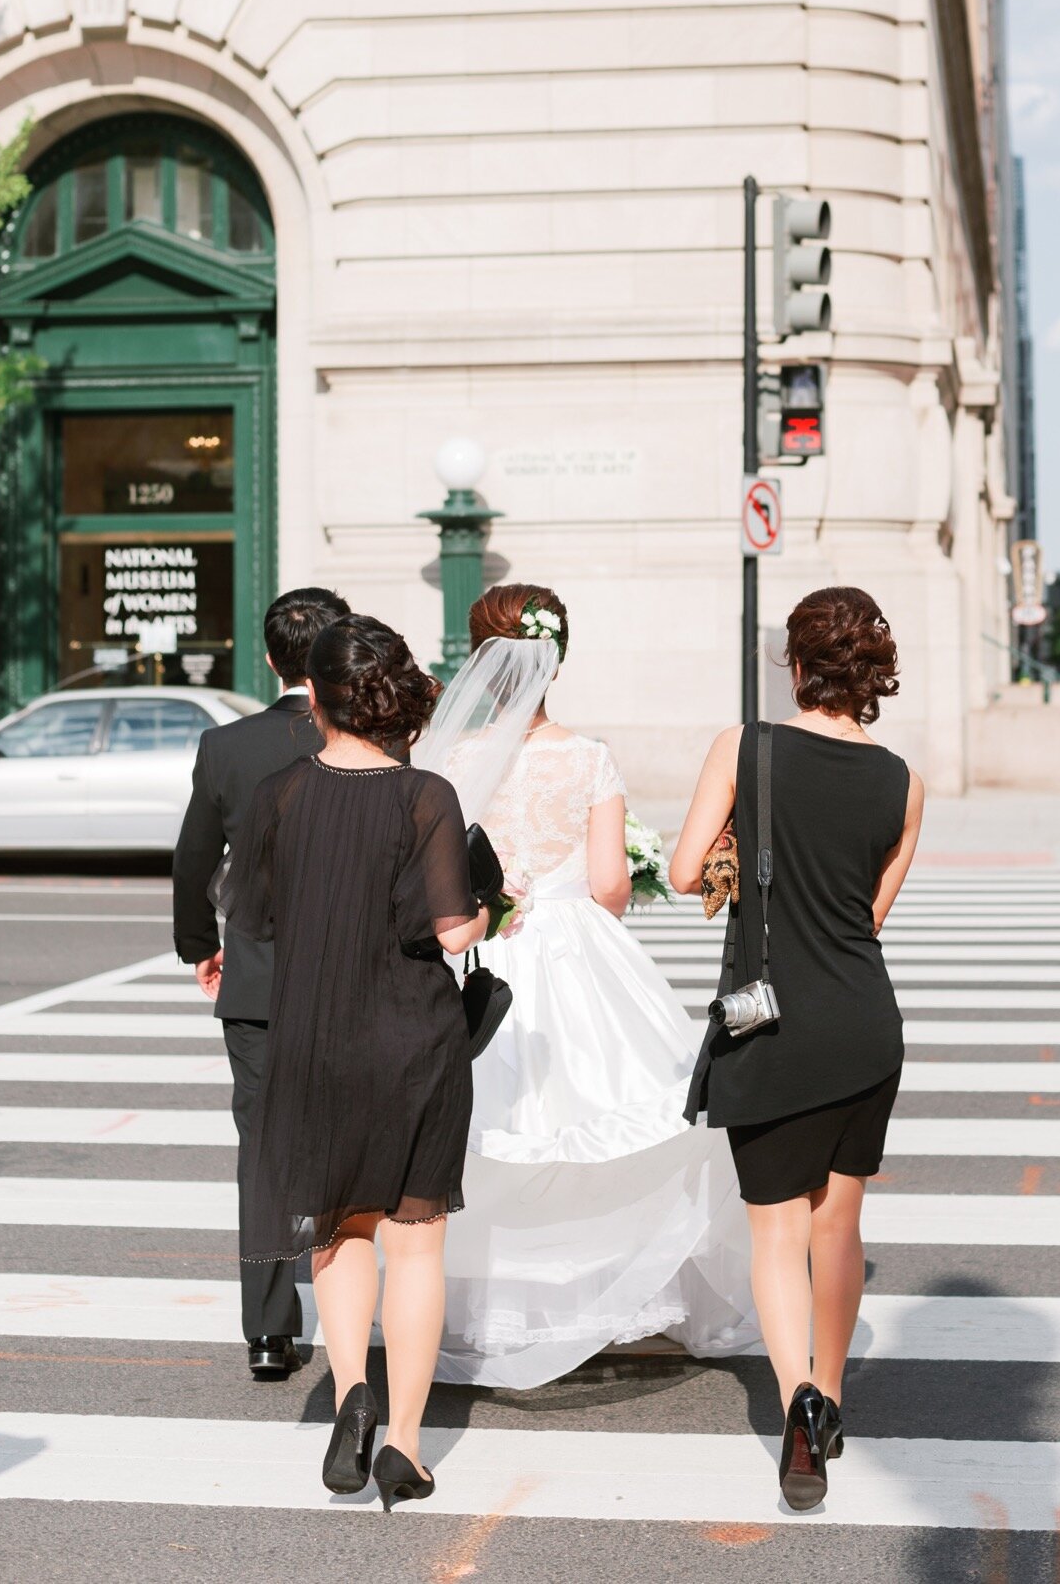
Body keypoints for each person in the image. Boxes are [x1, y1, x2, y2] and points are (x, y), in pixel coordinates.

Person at [411, 583, 756, 1387]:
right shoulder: (588, 756)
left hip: (485, 949)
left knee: (494, 1128)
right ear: (554, 659)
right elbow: (607, 885)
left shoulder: (450, 758)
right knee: (599, 1115)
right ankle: (602, 1296)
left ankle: (499, 1312)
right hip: (575, 949)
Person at [670, 586, 922, 1513]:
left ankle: (797, 1406)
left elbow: (690, 868)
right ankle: (837, 1392)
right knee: (839, 1224)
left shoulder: (745, 748)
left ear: (797, 663)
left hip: (769, 1024)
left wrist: (745, 842)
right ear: (875, 671)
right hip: (863, 1019)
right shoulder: (904, 779)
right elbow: (870, 915)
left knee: (775, 1233)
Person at [229, 615, 487, 1502]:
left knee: (337, 1232)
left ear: (315, 695)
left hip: (312, 1039)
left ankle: (349, 1394)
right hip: (412, 1040)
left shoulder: (277, 794)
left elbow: (256, 916)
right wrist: (489, 908)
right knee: (415, 1244)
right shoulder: (427, 796)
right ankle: (406, 1445)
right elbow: (455, 930)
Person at [171, 584, 350, 1380]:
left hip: (257, 981)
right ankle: (358, 1305)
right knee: (355, 1146)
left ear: (272, 657)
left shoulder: (227, 746)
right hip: (353, 978)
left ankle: (270, 1332)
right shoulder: (372, 740)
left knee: (265, 1151)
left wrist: (199, 944)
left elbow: (193, 860)